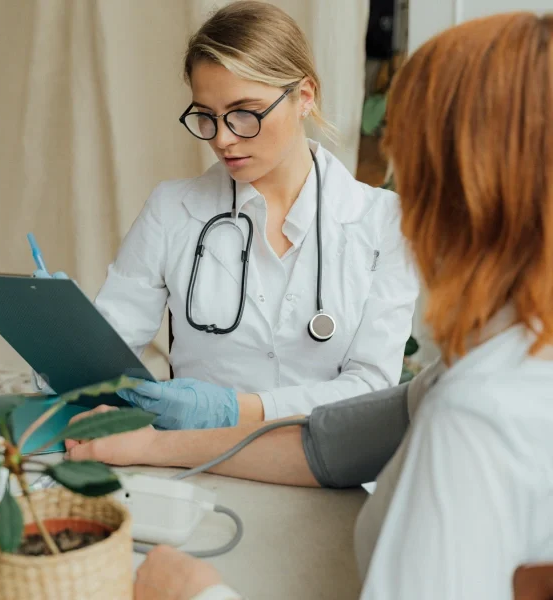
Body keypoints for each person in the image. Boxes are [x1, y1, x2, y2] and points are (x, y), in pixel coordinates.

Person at [66, 10, 553, 600]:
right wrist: (152, 442)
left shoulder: (474, 412)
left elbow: (365, 398)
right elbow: (332, 443)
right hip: (197, 482)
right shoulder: (479, 372)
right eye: (207, 117)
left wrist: (195, 595)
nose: (223, 137)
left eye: (413, 162)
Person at [35, 0, 418, 430]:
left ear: (304, 97)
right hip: (195, 463)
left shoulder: (384, 221)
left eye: (243, 113)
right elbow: (98, 368)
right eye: (207, 117)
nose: (222, 138)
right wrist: (60, 340)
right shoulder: (171, 211)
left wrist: (239, 410)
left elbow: (371, 387)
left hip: (322, 469)